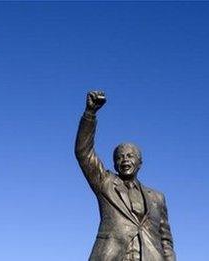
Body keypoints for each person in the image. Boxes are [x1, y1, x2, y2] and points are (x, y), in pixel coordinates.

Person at [75, 91, 176, 261]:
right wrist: (90, 114)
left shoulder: (157, 198)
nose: (124, 160)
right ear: (114, 164)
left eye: (130, 156)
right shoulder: (105, 183)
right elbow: (83, 152)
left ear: (140, 162)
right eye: (119, 157)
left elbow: (166, 241)